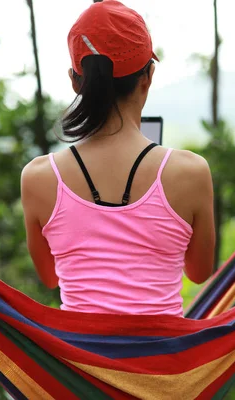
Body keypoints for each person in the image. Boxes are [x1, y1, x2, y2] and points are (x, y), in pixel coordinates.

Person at [20, 0, 215, 317]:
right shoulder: (190, 172)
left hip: (77, 364)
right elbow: (198, 272)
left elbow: (50, 277)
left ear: (75, 81)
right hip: (162, 363)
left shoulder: (39, 176)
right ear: (147, 78)